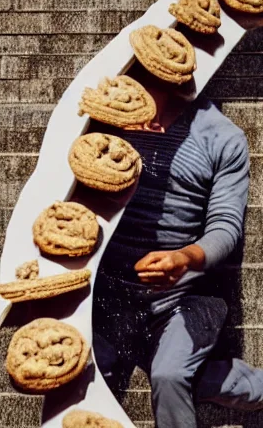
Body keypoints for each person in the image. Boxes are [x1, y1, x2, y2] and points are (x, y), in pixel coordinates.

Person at [91, 60, 263, 428]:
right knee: (87, 373)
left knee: (169, 376)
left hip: (184, 298)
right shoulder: (107, 120)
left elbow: (225, 226)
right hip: (109, 297)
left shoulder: (221, 137)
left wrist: (184, 259)